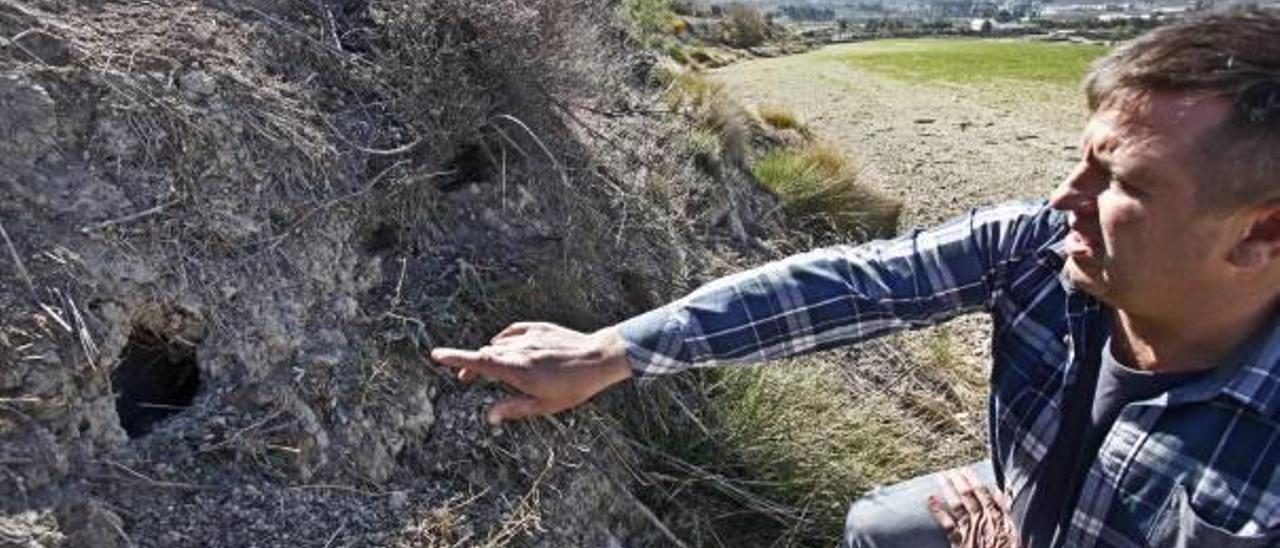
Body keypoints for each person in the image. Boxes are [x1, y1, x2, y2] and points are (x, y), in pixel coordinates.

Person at [431, 9, 1280, 548]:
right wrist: (612, 353)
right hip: (1023, 511)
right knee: (879, 527)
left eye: (1122, 182)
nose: (1066, 196)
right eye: (1082, 160)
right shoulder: (1041, 245)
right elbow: (849, 286)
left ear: (1263, 231)